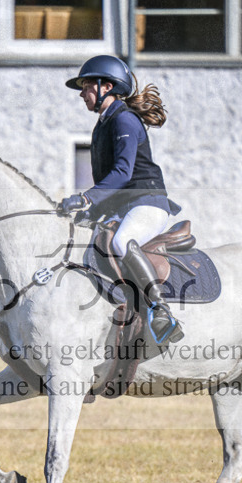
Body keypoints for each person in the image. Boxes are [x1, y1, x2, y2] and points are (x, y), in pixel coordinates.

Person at [60, 54, 184, 344]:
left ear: (107, 86)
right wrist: (87, 213)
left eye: (86, 85)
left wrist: (87, 199)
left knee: (120, 242)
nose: (82, 93)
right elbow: (110, 184)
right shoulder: (103, 124)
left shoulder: (124, 119)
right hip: (123, 207)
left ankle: (160, 309)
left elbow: (122, 173)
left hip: (147, 203)